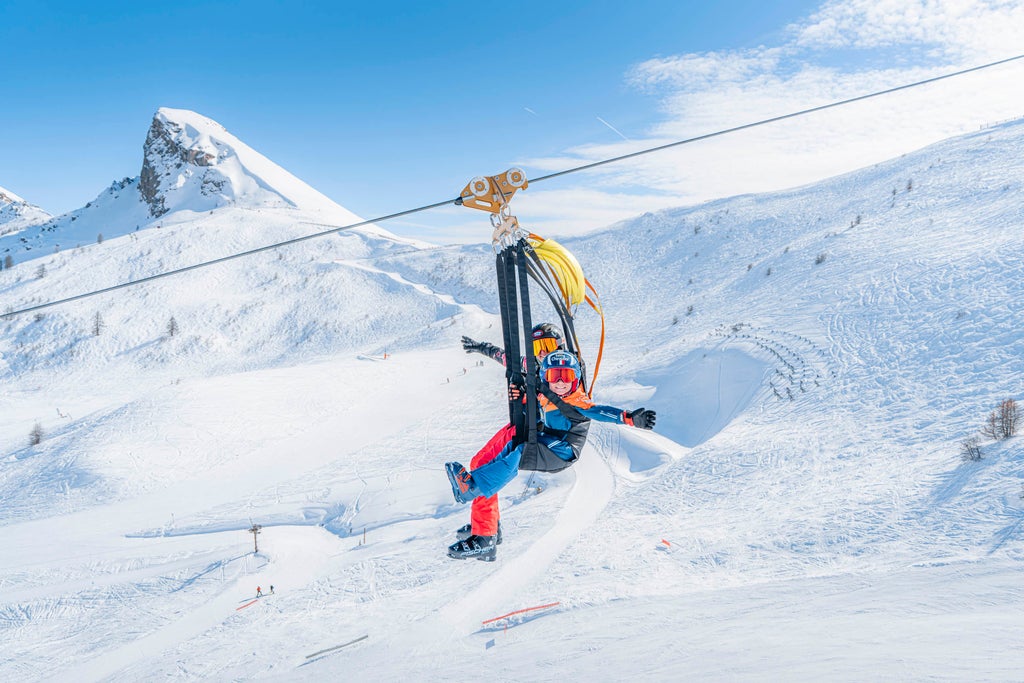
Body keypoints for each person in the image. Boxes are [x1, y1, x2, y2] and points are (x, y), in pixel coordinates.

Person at [445, 350, 656, 562]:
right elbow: (533, 411)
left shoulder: (577, 400)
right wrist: (521, 398)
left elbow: (599, 411)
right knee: (512, 445)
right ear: (546, 377)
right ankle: (487, 516)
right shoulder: (545, 395)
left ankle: (474, 488)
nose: (562, 382)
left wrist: (628, 418)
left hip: (564, 450)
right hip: (550, 442)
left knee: (522, 450)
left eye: (568, 376)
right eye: (556, 376)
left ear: (576, 378)